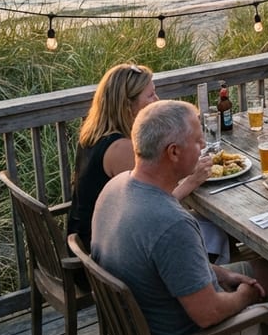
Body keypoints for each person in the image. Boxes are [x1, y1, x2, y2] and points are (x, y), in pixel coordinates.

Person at [92, 100, 268, 335]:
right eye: (198, 141)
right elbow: (209, 314)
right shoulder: (171, 224)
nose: (204, 146)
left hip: (151, 314)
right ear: (173, 152)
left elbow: (171, 265)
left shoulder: (114, 187)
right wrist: (245, 297)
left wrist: (221, 275)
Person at [68, 64, 212, 252]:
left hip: (92, 236)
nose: (157, 100)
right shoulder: (121, 149)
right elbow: (154, 208)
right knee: (211, 231)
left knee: (204, 226)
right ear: (128, 106)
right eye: (150, 95)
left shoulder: (92, 135)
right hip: (104, 251)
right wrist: (193, 180)